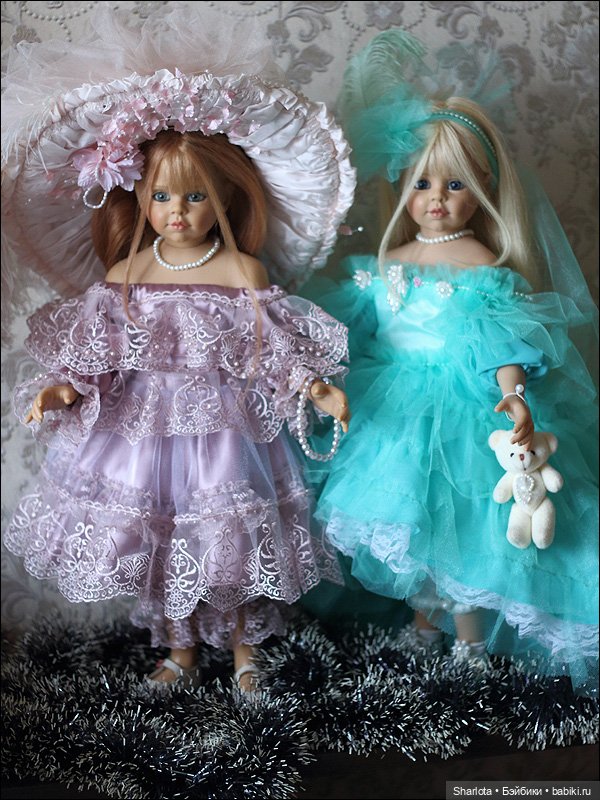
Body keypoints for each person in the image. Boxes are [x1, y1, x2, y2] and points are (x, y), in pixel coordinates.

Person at [1, 7, 354, 692]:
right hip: (141, 433)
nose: (178, 211)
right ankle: (179, 652)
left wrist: (314, 385)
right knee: (159, 539)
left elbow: (271, 347)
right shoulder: (128, 273)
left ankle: (248, 653)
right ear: (138, 194)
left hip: (224, 431)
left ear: (224, 197)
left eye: (196, 196)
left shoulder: (240, 271)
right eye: (162, 195)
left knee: (230, 539)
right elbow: (100, 351)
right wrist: (63, 388)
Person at [305, 30, 598, 693]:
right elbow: (349, 331)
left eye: (455, 184)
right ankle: (425, 622)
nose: (436, 198)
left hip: (462, 409)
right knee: (411, 525)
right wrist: (317, 372)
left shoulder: (481, 266)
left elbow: (498, 342)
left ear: (483, 189)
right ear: (402, 187)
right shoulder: (384, 263)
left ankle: (468, 641)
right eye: (421, 183)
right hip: (389, 409)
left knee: (459, 527)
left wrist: (513, 393)